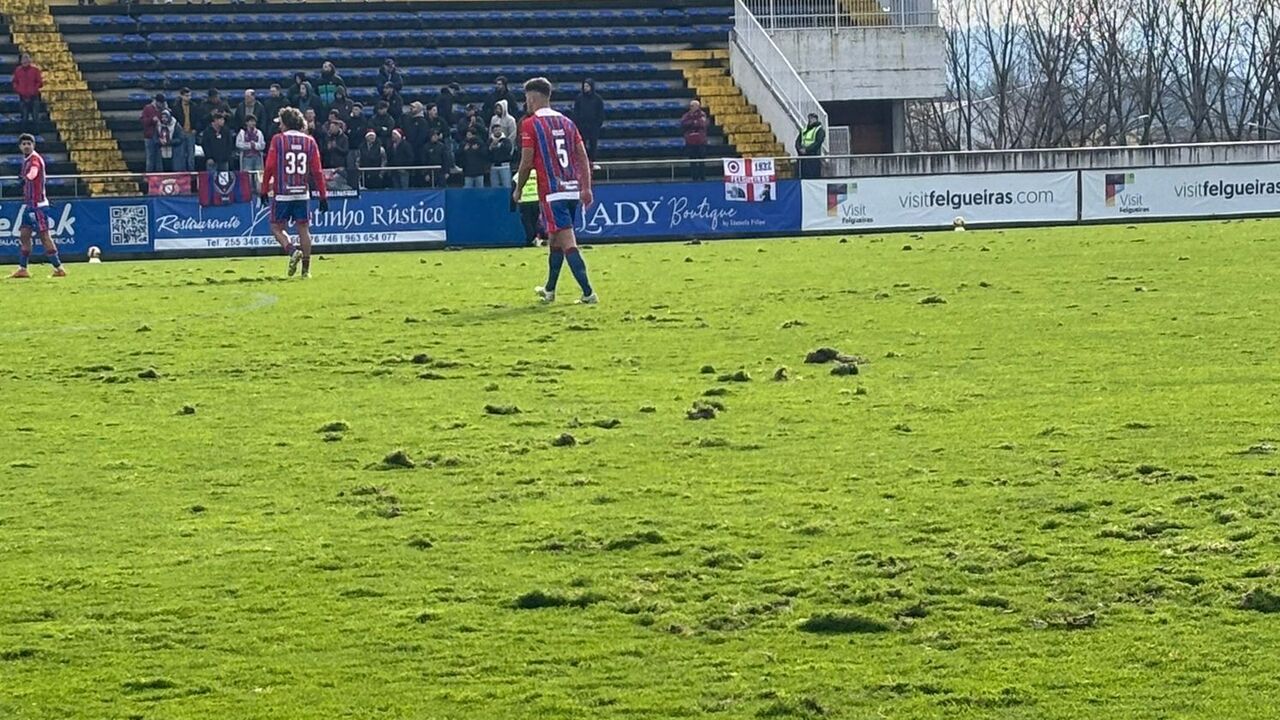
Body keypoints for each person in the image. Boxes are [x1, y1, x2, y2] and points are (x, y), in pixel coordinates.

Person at [512, 77, 597, 305]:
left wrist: (518, 189)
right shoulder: (568, 122)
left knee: (567, 242)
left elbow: (526, 162)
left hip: (552, 192)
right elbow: (582, 156)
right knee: (555, 241)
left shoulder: (530, 124)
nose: (526, 103)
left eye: (527, 98)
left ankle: (588, 293)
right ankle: (549, 290)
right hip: (571, 190)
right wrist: (586, 187)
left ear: (533, 98)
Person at [260, 107, 328, 279]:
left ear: (286, 123)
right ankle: (306, 270)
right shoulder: (309, 141)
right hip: (302, 192)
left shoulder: (278, 140)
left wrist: (263, 189)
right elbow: (317, 171)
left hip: (283, 192)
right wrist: (322, 195)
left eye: (281, 122)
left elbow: (269, 167)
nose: (279, 126)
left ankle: (291, 251)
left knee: (276, 227)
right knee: (304, 229)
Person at [9, 134, 65, 279]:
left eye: (29, 143)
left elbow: (34, 172)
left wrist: (28, 177)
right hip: (29, 205)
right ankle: (23, 268)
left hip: (38, 205)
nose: (26, 146)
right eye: (24, 144)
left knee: (44, 236)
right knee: (24, 235)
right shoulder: (26, 160)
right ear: (20, 147)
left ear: (33, 145)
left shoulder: (34, 160)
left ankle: (58, 268)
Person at [572, 79, 605, 168]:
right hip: (582, 126)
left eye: (587, 86)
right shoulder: (579, 98)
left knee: (593, 144)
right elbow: (576, 111)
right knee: (582, 144)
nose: (585, 88)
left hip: (593, 126)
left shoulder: (598, 99)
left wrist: (598, 124)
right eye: (584, 86)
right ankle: (583, 162)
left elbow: (600, 113)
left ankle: (592, 162)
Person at [12, 53, 43, 134]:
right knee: (24, 118)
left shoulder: (35, 70)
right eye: (24, 59)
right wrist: (19, 90)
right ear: (21, 61)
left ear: (30, 60)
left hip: (34, 97)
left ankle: (36, 134)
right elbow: (15, 82)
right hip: (22, 97)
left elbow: (39, 82)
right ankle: (23, 134)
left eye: (27, 58)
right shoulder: (18, 70)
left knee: (35, 117)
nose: (25, 60)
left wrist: (33, 91)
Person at [681, 100, 709, 182]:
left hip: (700, 142)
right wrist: (694, 122)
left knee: (701, 161)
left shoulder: (702, 114)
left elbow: (702, 124)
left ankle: (702, 178)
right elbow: (683, 123)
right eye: (691, 106)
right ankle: (694, 178)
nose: (692, 107)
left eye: (694, 106)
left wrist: (693, 123)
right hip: (690, 142)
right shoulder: (686, 115)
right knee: (692, 161)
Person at [517, 166, 545, 247]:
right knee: (536, 221)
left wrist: (513, 205)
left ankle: (531, 240)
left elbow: (515, 189)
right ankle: (538, 238)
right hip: (537, 200)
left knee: (527, 222)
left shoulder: (518, 175)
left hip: (525, 201)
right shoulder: (538, 174)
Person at [236, 114, 266, 185]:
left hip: (257, 157)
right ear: (246, 123)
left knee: (258, 176)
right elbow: (238, 144)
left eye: (254, 121)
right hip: (246, 158)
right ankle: (248, 192)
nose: (253, 123)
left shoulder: (259, 132)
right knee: (247, 176)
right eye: (251, 121)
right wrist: (249, 145)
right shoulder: (242, 133)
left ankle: (259, 192)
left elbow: (263, 145)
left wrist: (255, 145)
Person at [141, 93, 167, 173]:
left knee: (158, 158)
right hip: (149, 136)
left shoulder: (162, 110)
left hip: (159, 136)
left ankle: (159, 177)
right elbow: (143, 121)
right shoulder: (147, 108)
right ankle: (149, 177)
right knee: (150, 157)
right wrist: (152, 120)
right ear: (157, 102)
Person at [796, 112, 826, 179]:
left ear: (816, 119)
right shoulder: (804, 130)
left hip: (813, 157)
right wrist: (800, 149)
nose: (810, 120)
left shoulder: (819, 130)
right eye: (810, 118)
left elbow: (818, 143)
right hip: (803, 158)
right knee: (802, 177)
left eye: (812, 118)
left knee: (813, 177)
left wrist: (806, 150)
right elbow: (797, 141)